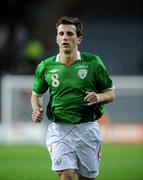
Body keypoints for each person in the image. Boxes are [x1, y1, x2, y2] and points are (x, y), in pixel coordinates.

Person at [31, 16, 115, 180]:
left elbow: (111, 93)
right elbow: (36, 95)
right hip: (60, 130)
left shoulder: (93, 63)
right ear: (56, 38)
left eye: (70, 34)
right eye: (61, 34)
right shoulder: (45, 66)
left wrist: (98, 97)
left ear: (79, 39)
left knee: (87, 178)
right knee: (66, 175)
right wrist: (36, 109)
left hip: (87, 129)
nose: (65, 37)